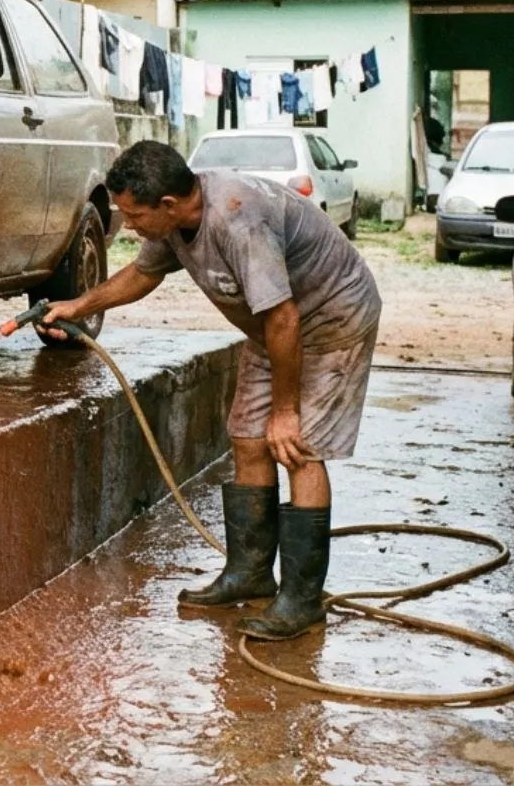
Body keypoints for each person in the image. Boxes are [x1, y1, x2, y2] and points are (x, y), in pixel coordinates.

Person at [40, 141, 383, 640]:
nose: (128, 225)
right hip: (276, 327)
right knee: (247, 435)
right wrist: (79, 305)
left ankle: (303, 601)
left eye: (133, 216)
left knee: (296, 447)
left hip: (332, 320)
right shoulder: (177, 218)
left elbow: (284, 315)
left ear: (168, 205)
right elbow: (143, 273)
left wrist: (286, 411)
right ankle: (250, 572)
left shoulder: (238, 220)